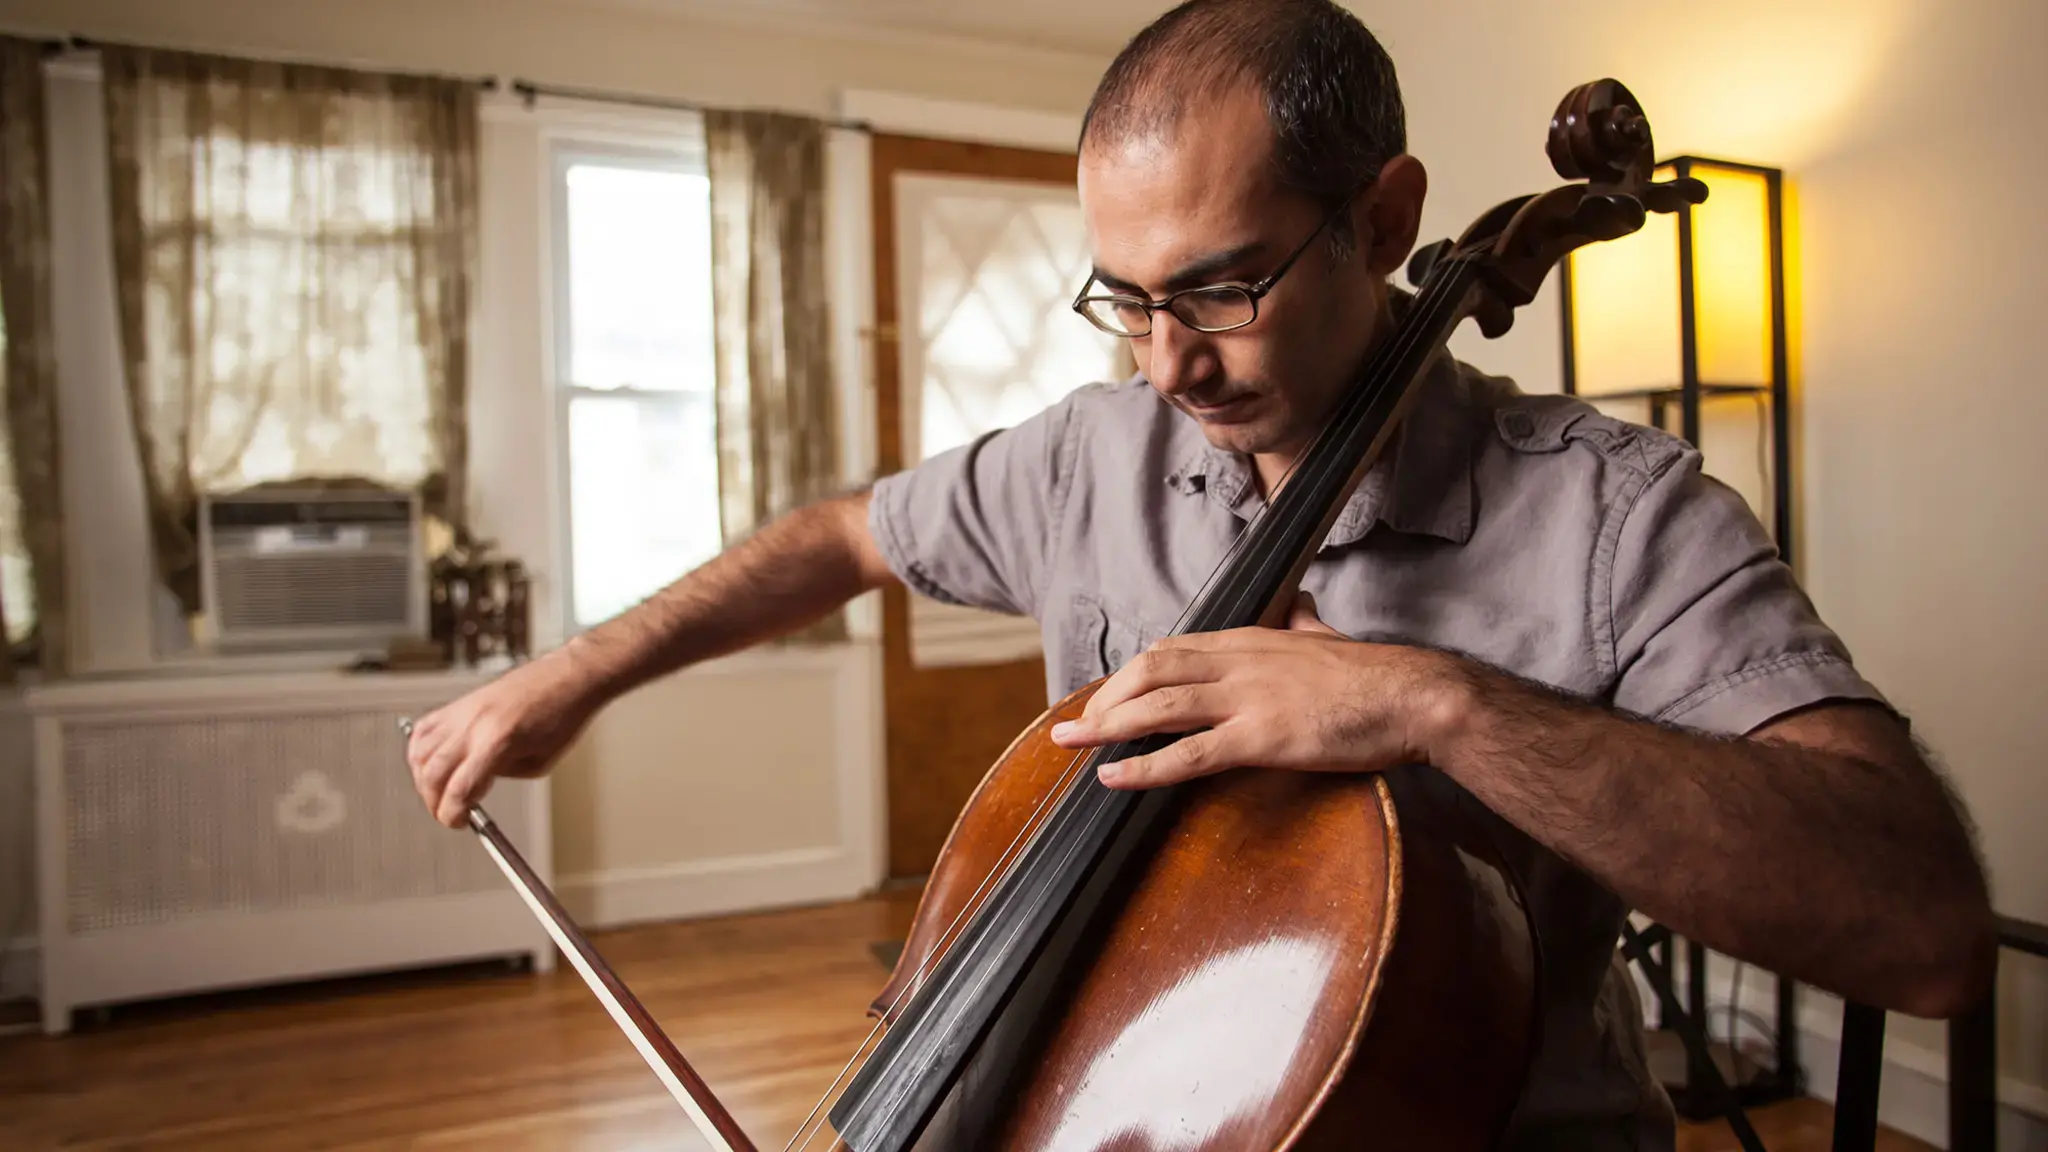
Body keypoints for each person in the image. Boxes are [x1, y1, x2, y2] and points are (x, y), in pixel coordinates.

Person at [407, 0, 1997, 1146]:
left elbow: (1917, 926)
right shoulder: (1084, 457)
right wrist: (569, 675)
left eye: (1224, 289)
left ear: (1386, 220)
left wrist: (1434, 702)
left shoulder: (1615, 516)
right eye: (1127, 298)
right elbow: (839, 537)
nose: (1169, 362)